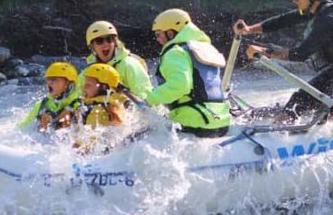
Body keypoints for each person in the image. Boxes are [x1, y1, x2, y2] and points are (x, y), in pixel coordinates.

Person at [146, 8, 231, 137]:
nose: (157, 39)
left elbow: (180, 85)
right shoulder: (205, 48)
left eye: (158, 34)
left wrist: (150, 100)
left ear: (170, 33)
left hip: (194, 122)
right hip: (221, 123)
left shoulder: (175, 52)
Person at [83, 20, 153, 99]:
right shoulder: (88, 71)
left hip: (125, 108)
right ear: (92, 46)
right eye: (99, 41)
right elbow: (77, 95)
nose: (105, 44)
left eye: (109, 39)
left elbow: (144, 94)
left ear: (115, 42)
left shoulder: (129, 64)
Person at [19, 62, 80, 132]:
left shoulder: (79, 105)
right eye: (48, 79)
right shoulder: (41, 105)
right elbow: (23, 129)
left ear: (68, 83)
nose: (49, 83)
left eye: (54, 79)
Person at [77, 63, 129, 129]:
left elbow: (91, 138)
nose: (84, 87)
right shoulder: (113, 102)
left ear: (103, 87)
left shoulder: (98, 111)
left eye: (88, 85)